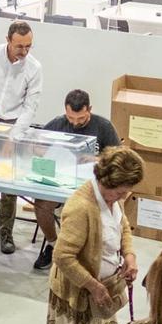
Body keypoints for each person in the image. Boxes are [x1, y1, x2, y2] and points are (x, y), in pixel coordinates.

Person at [45, 146, 144, 324]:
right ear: (105, 181)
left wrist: (130, 255)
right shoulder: (80, 207)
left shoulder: (114, 199)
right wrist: (93, 285)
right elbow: (63, 256)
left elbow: (123, 226)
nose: (124, 197)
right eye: (121, 191)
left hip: (101, 288)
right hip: (76, 292)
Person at [24, 89, 121, 271]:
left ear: (89, 109)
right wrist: (38, 150)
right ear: (65, 111)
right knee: (41, 205)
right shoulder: (57, 124)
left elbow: (119, 157)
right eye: (71, 118)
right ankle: (54, 244)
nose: (75, 123)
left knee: (89, 212)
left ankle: (88, 250)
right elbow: (35, 147)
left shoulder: (103, 126)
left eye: (81, 119)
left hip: (91, 186)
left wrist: (97, 159)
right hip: (60, 181)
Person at [0, 21, 43, 254]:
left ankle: (5, 233)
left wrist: (13, 137)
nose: (24, 51)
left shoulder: (34, 68)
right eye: (19, 46)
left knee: (8, 184)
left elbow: (30, 107)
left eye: (28, 46)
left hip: (12, 127)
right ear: (8, 40)